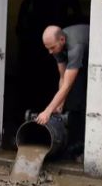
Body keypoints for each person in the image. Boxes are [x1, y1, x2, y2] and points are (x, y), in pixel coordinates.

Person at [37, 24, 90, 157]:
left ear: (62, 40)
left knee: (79, 99)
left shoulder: (75, 46)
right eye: (47, 48)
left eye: (52, 48)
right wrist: (60, 105)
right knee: (68, 99)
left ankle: (80, 144)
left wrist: (47, 111)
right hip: (77, 61)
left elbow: (67, 85)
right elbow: (62, 76)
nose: (50, 52)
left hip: (94, 57)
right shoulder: (56, 46)